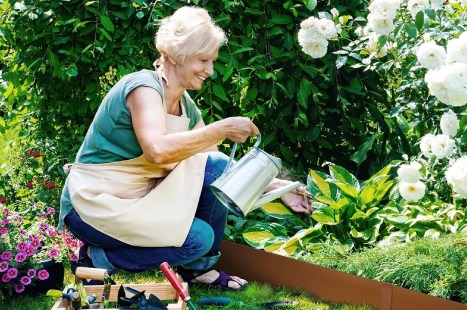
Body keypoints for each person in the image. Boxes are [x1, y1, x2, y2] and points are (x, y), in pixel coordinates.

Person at [58, 6, 313, 291]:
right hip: (94, 206)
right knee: (197, 239)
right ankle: (98, 258)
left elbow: (219, 167)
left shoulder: (186, 106)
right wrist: (222, 128)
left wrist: (278, 187)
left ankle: (198, 270)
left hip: (139, 202)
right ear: (177, 54)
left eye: (212, 61)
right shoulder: (142, 88)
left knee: (213, 168)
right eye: (203, 60)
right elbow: (156, 150)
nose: (210, 70)